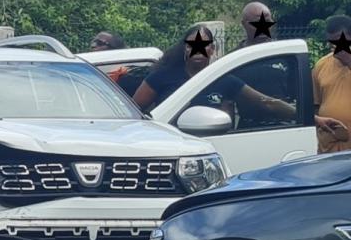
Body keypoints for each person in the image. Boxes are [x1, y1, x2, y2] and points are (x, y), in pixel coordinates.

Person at [132, 24, 296, 124]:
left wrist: (308, 117)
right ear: (184, 48)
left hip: (212, 146)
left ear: (213, 50)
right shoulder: (163, 76)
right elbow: (133, 112)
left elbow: (266, 102)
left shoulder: (223, 80)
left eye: (204, 44)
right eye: (192, 44)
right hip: (170, 147)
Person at [313, 15, 351, 154]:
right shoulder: (321, 65)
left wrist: (348, 60)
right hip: (328, 149)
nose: (334, 45)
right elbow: (315, 106)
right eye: (331, 41)